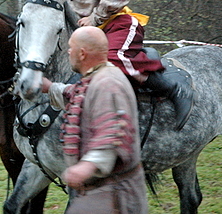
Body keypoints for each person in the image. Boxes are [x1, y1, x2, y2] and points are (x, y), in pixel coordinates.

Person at [31, 0, 195, 130]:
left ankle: (174, 89)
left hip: (120, 23)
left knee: (110, 60)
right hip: (96, 32)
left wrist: (94, 17)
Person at [42, 26, 147, 213]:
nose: (68, 52)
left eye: (70, 47)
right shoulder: (99, 76)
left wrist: (86, 167)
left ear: (82, 54)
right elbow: (77, 97)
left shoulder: (107, 83)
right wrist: (50, 87)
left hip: (116, 197)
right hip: (102, 193)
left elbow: (113, 131)